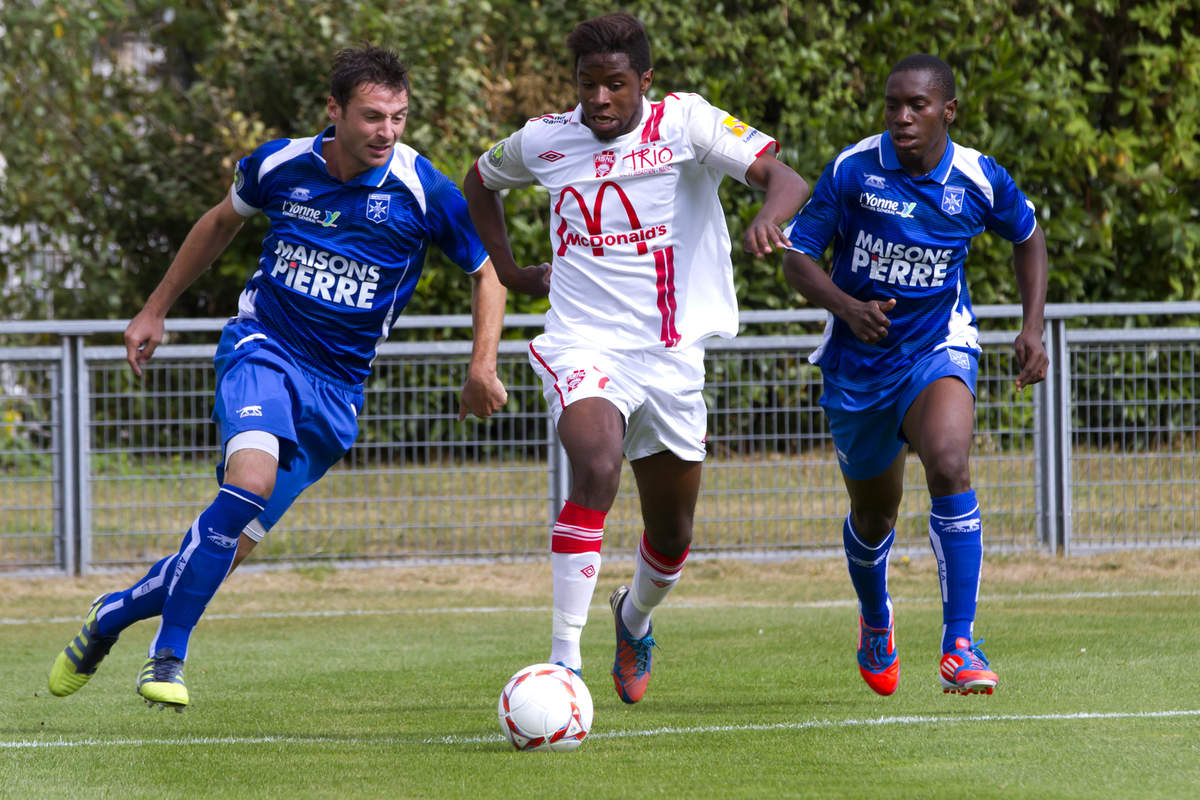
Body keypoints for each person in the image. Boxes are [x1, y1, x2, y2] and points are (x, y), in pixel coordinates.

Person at [47, 45, 510, 710]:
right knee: (249, 484)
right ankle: (168, 656)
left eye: (399, 117)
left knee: (222, 551)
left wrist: (481, 364)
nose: (387, 131)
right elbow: (219, 222)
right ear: (335, 110)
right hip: (262, 348)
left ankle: (110, 616)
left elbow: (487, 272)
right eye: (373, 116)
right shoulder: (278, 164)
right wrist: (154, 310)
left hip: (337, 392)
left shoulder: (423, 189)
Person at [463, 13, 808, 704]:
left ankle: (635, 616)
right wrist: (508, 267)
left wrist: (769, 216)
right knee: (595, 463)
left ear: (644, 81)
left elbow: (786, 178)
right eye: (587, 84)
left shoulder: (686, 123)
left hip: (671, 355)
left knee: (672, 537)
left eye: (615, 85)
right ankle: (564, 666)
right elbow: (478, 181)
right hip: (583, 342)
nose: (599, 99)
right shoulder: (544, 139)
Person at [781, 54, 1048, 696]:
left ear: (946, 111)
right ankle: (876, 616)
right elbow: (796, 257)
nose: (902, 117)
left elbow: (1029, 235)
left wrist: (1032, 327)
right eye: (893, 105)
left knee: (950, 463)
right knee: (874, 517)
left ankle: (960, 644)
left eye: (917, 106)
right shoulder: (853, 169)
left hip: (938, 347)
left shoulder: (978, 178)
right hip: (857, 367)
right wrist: (848, 308)